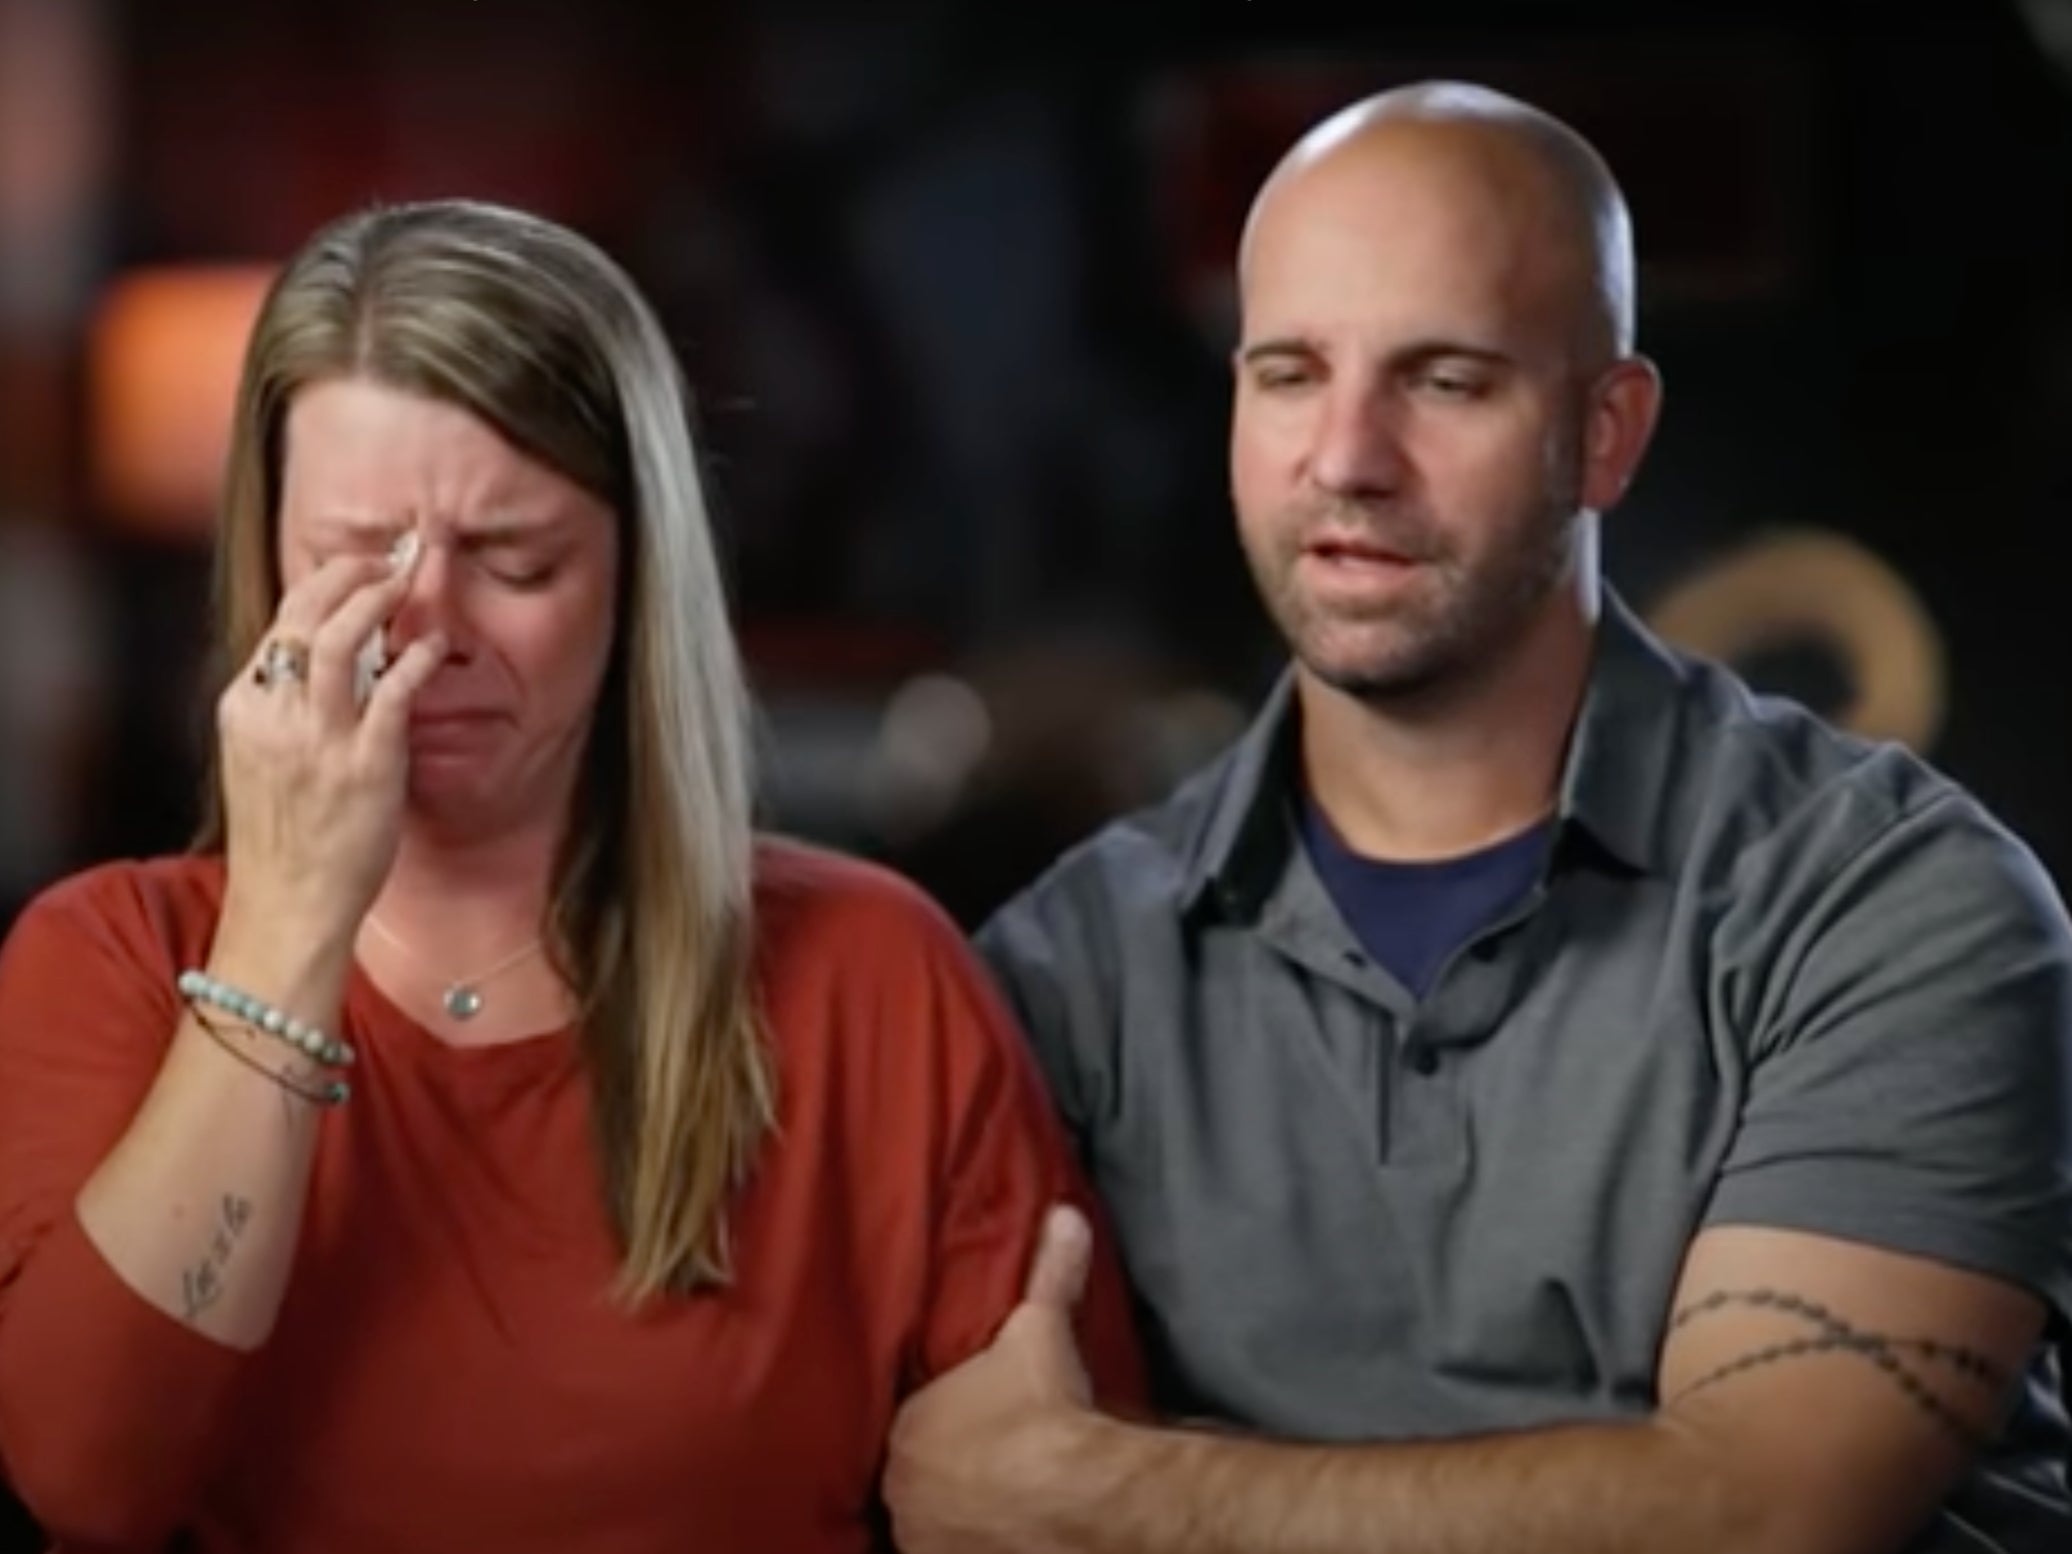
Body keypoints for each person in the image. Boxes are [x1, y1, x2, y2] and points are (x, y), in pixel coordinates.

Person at [883, 80, 2072, 1554]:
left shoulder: (1892, 905)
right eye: (1289, 373)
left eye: (1445, 379)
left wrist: (1119, 1494)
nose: (1347, 456)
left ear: (1608, 433)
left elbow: (1768, 1509)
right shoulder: (1066, 974)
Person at [0, 198, 1141, 1552]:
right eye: (353, 560)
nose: (429, 631)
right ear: (266, 562)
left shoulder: (876, 975)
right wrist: (290, 921)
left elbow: (1067, 1493)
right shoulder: (106, 956)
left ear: (635, 580)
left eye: (518, 560)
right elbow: (89, 1480)